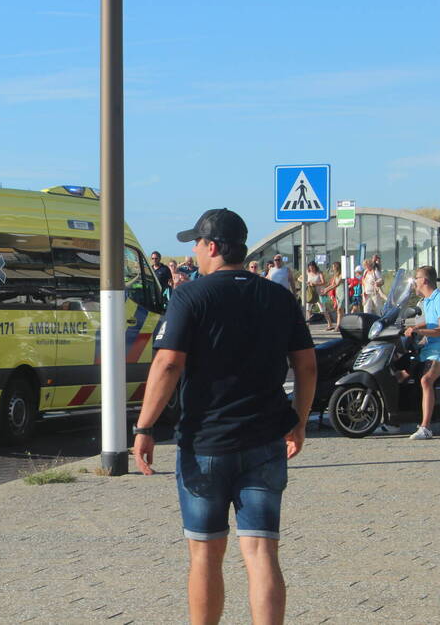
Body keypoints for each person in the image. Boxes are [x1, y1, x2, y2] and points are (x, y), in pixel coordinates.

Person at [132, 208, 317, 625]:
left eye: (197, 244)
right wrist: (299, 421)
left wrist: (144, 427)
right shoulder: (278, 296)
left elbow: (167, 364)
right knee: (262, 551)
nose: (195, 252)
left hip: (206, 443)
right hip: (266, 441)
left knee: (205, 554)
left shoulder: (190, 296)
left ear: (212, 247)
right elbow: (306, 366)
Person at [402, 266, 440, 440]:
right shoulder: (427, 301)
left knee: (426, 380)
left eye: (416, 278)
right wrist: (413, 327)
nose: (414, 282)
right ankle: (394, 420)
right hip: (429, 347)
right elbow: (430, 322)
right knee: (402, 373)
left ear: (425, 280)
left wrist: (420, 332)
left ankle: (426, 428)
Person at [322, 262, 343, 331]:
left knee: (339, 309)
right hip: (338, 293)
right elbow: (332, 284)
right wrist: (326, 289)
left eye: (333, 267)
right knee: (338, 310)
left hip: (343, 293)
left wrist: (327, 290)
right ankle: (339, 325)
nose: (332, 268)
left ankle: (338, 326)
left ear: (337, 267)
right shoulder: (335, 275)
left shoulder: (342, 275)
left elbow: (337, 284)